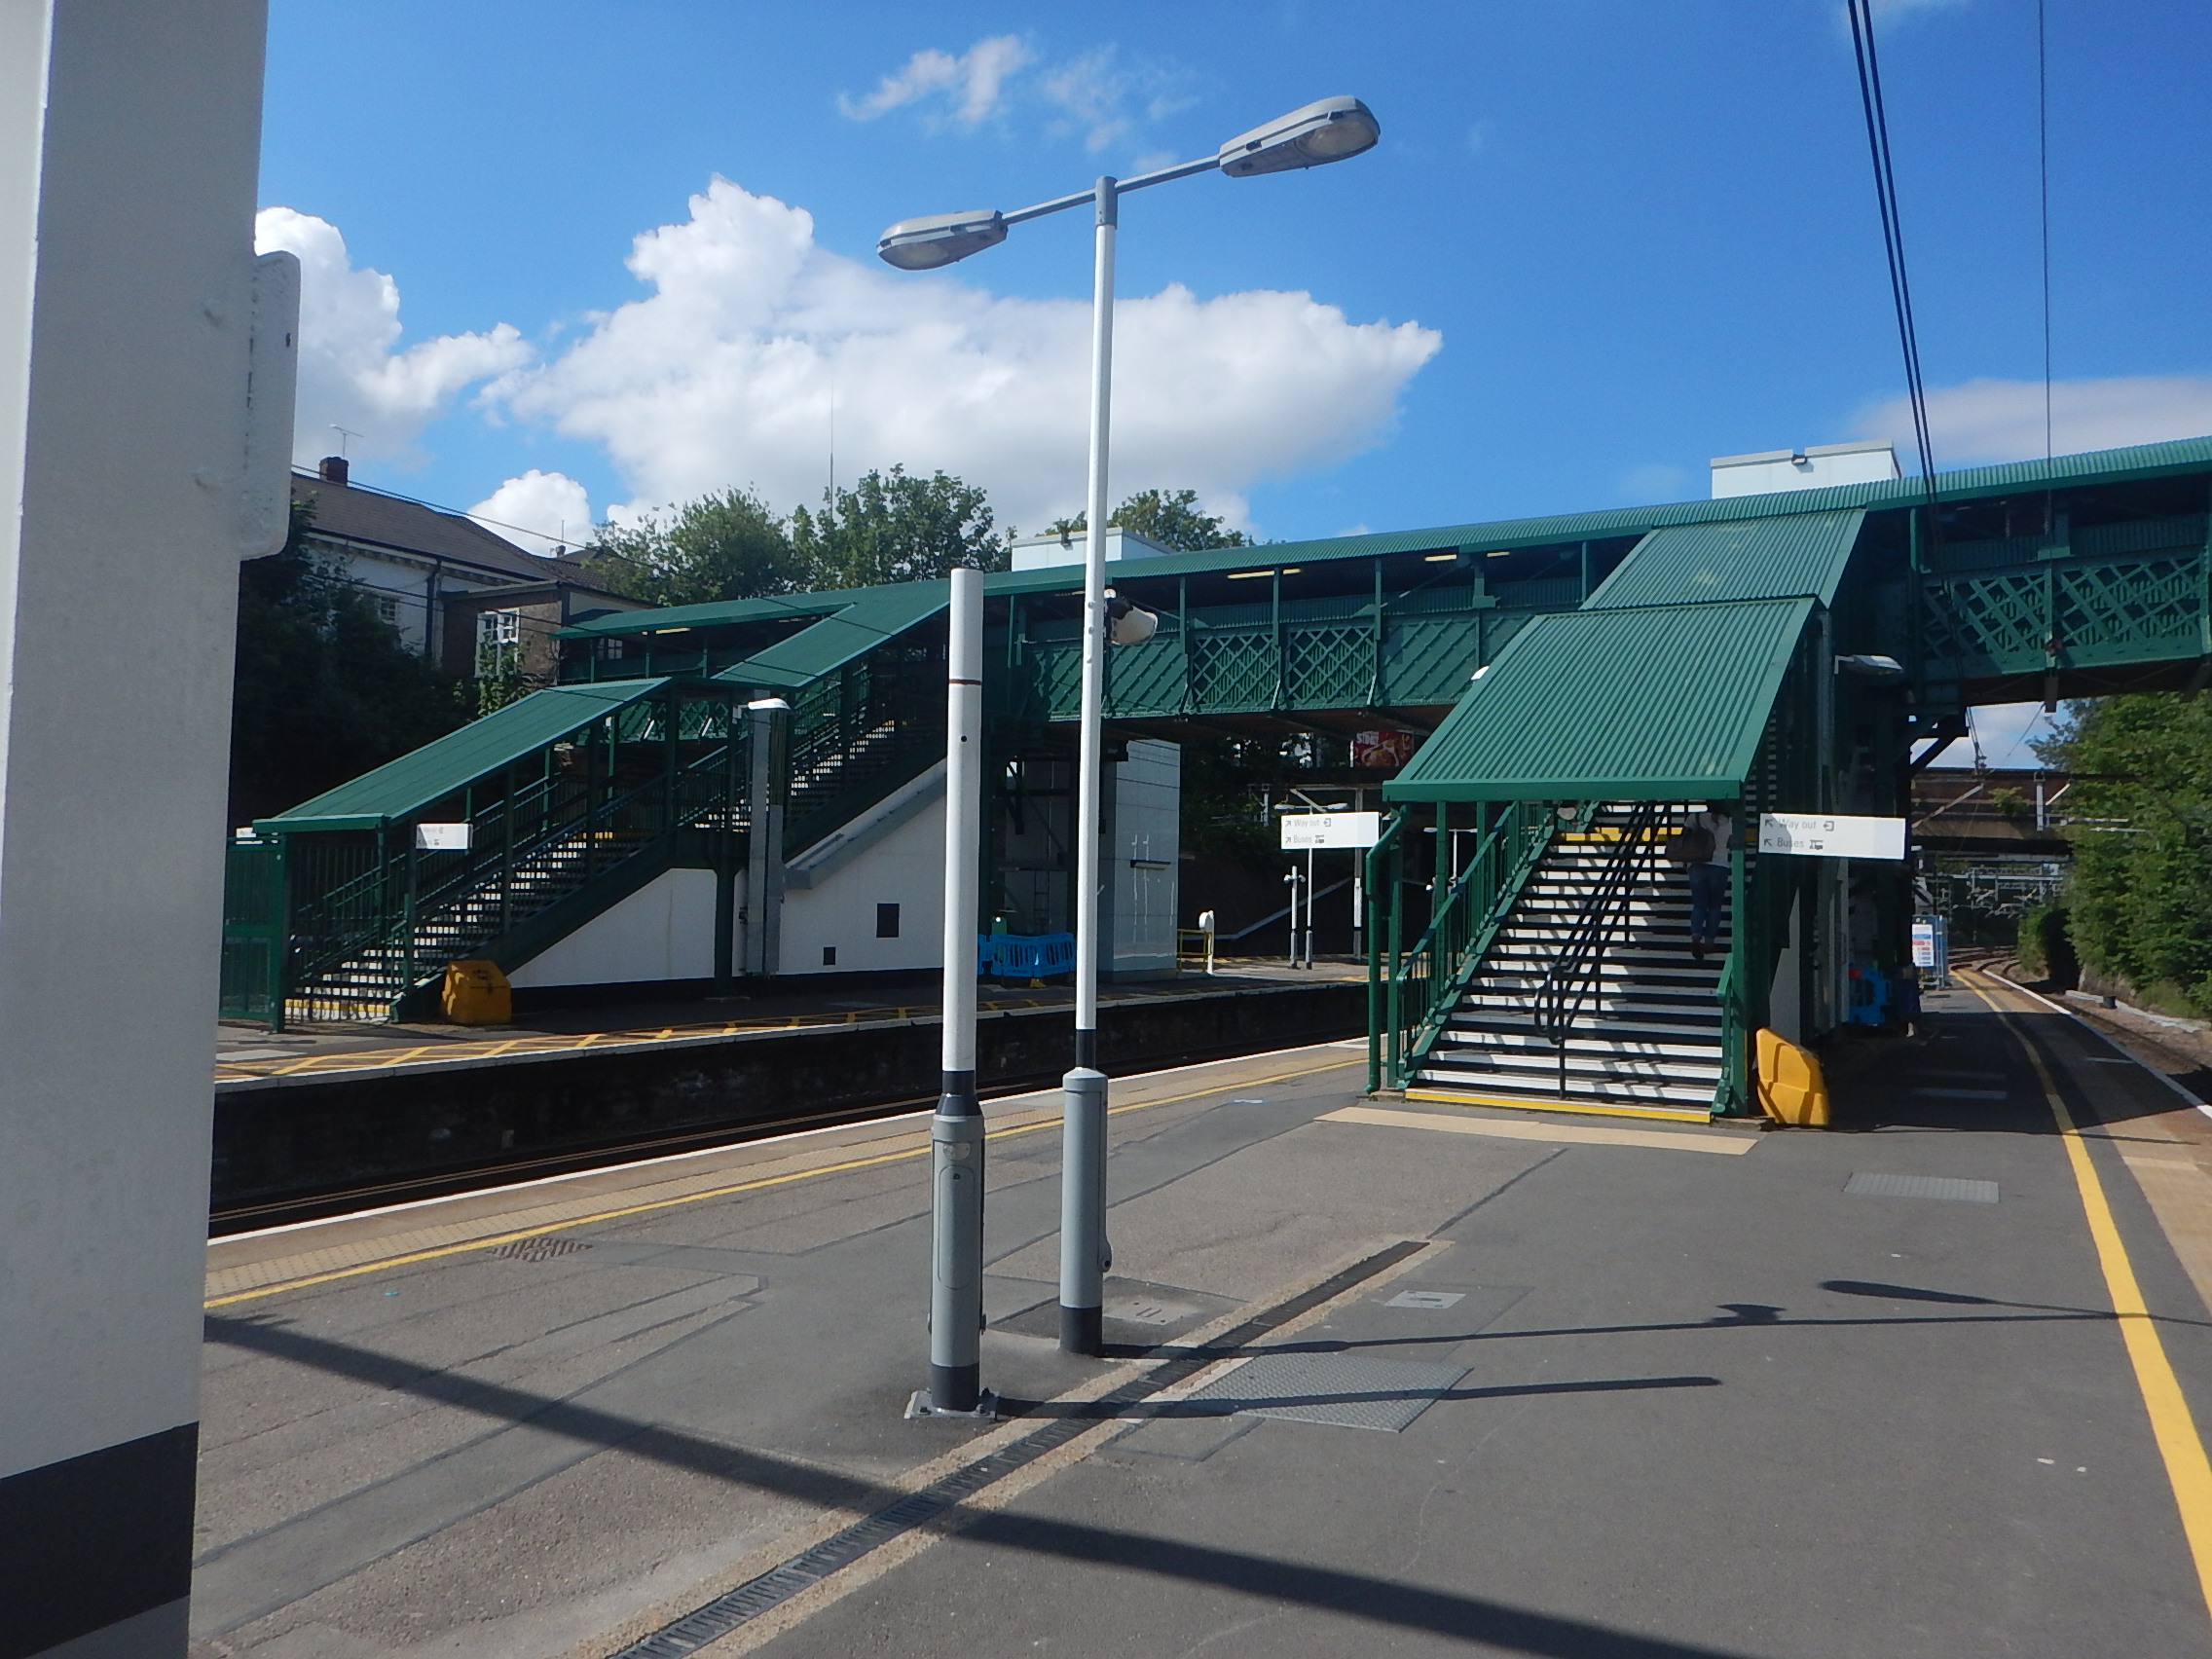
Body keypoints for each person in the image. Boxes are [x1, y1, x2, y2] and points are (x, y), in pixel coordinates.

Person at [1686, 803, 1732, 963]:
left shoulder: (1695, 818)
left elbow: (1685, 837)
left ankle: (1695, 936)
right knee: (1715, 906)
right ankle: (1709, 942)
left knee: (1699, 905)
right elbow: (1732, 843)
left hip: (1697, 865)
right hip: (1719, 866)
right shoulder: (1729, 822)